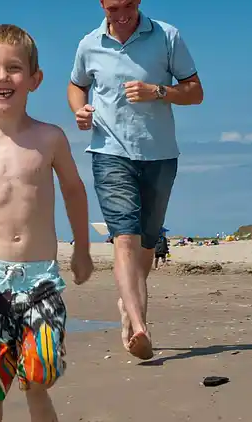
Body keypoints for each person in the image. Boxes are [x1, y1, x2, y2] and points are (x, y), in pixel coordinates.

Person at [0, 24, 93, 422]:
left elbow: (74, 191)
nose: (2, 77)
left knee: (39, 377)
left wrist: (82, 249)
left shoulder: (50, 138)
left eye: (14, 68)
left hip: (40, 280)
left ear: (35, 79)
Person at [67, 0, 204, 360]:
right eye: (113, 8)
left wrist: (158, 91)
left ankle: (128, 309)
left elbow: (195, 91)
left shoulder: (167, 36)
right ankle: (140, 327)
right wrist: (79, 110)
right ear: (102, 5)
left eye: (128, 5)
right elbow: (76, 86)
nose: (122, 15)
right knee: (124, 238)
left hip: (160, 155)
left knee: (146, 244)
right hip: (109, 152)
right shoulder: (89, 44)